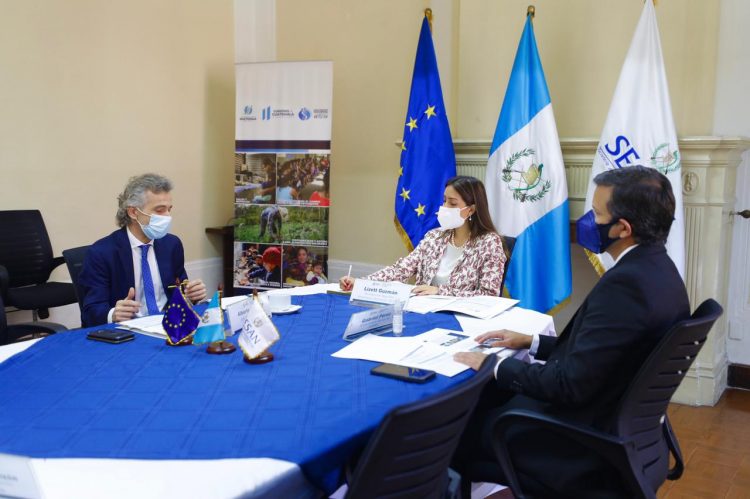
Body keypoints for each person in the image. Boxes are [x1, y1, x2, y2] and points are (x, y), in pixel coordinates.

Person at [451, 166, 690, 497]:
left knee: (453, 429)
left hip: (577, 444)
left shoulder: (626, 285)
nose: (587, 222)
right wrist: (531, 341)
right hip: (621, 431)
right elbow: (606, 352)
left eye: (597, 214)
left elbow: (567, 385)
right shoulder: (661, 270)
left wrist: (494, 365)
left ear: (623, 228)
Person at [339, 176, 505, 297]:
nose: (444, 207)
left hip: (462, 318)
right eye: (444, 201)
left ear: (471, 210)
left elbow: (488, 294)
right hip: (422, 309)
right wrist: (361, 283)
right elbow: (401, 269)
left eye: (452, 203)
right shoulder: (434, 237)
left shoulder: (489, 242)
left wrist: (439, 291)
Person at [79, 173, 207, 327]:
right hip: (128, 330)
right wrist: (113, 314)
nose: (167, 216)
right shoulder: (102, 253)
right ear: (133, 212)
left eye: (169, 209)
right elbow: (90, 312)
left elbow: (179, 291)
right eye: (160, 210)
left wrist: (190, 296)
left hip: (169, 326)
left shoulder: (172, 245)